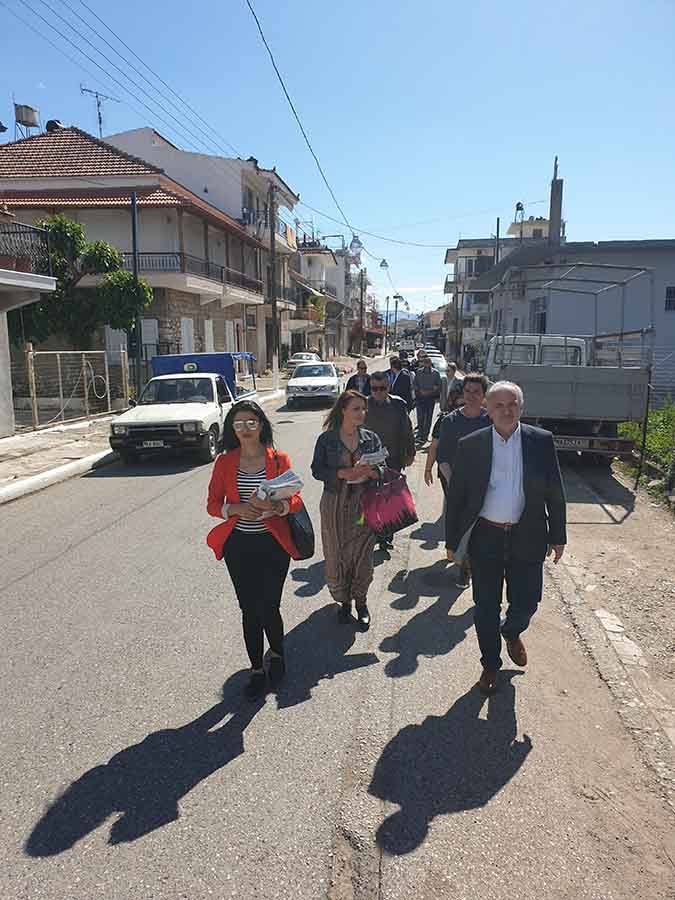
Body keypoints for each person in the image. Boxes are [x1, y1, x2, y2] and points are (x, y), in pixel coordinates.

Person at [445, 381, 567, 694]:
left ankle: (512, 631)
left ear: (521, 408)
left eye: (512, 404)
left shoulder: (541, 441)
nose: (506, 410)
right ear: (487, 408)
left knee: (527, 602)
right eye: (498, 405)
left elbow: (555, 490)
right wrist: (452, 542)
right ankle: (490, 664)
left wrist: (558, 535)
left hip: (528, 535)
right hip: (486, 537)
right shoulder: (471, 445)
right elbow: (456, 497)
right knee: (486, 606)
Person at [206, 401, 302, 699]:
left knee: (269, 605)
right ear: (232, 429)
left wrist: (278, 506)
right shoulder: (224, 462)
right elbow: (212, 505)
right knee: (248, 608)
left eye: (251, 422)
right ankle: (257, 669)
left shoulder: (278, 459)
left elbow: (295, 499)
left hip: (273, 544)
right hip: (239, 545)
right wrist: (236, 509)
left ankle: (278, 655)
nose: (245, 429)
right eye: (238, 424)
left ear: (261, 425)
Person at [311, 390, 383, 629]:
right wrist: (342, 473)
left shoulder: (371, 438)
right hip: (334, 504)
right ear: (343, 410)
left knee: (363, 555)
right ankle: (344, 602)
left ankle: (361, 602)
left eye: (363, 409)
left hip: (364, 504)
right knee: (337, 554)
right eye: (356, 409)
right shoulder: (327, 440)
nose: (361, 413)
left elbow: (383, 467)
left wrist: (373, 472)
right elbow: (317, 470)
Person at [365, 371, 416, 550]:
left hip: (393, 459)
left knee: (389, 499)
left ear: (389, 387)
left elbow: (407, 430)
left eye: (382, 388)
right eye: (374, 388)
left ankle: (386, 536)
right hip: (369, 461)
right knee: (368, 499)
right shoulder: (363, 405)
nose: (378, 392)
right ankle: (369, 533)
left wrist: (410, 453)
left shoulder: (398, 404)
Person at [413, 352, 441, 445]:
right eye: (425, 363)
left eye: (428, 363)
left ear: (430, 363)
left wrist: (430, 391)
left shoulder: (436, 373)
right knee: (420, 417)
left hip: (430, 399)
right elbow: (415, 384)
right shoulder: (419, 372)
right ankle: (420, 434)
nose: (426, 364)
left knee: (428, 418)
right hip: (420, 398)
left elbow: (438, 386)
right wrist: (420, 391)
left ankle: (425, 436)